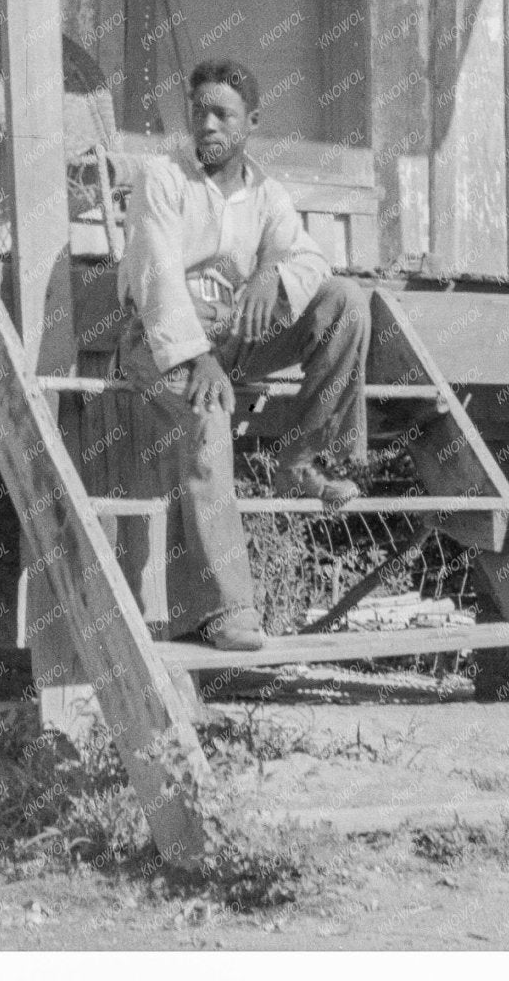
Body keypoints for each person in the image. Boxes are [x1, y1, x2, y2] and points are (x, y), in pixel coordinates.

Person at [117, 59, 371, 651]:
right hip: (162, 337)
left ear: (250, 122)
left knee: (346, 302)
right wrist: (197, 356)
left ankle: (305, 459)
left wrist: (272, 277)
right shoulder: (162, 177)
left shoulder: (267, 192)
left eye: (221, 114)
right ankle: (225, 608)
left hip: (235, 332)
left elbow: (311, 261)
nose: (206, 125)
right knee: (207, 415)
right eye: (197, 111)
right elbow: (155, 278)